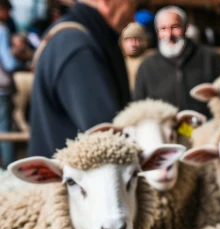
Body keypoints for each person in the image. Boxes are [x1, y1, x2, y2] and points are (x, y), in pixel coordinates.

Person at [28, 0, 136, 158]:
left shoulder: (76, 38)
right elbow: (106, 136)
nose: (133, 19)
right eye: (132, 6)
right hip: (71, 180)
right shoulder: (77, 46)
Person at [134, 6, 220, 118]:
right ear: (157, 33)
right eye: (163, 29)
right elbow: (138, 107)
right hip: (165, 132)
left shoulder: (211, 59)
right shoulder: (146, 67)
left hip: (206, 130)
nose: (169, 35)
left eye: (175, 27)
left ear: (186, 28)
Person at [0, 0, 19, 167]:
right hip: (1, 88)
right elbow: (9, 62)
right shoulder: (2, 31)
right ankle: (8, 168)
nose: (9, 14)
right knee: (5, 129)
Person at [121, 22, 150, 93]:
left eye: (137, 39)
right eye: (128, 39)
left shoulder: (151, 63)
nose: (133, 44)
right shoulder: (116, 63)